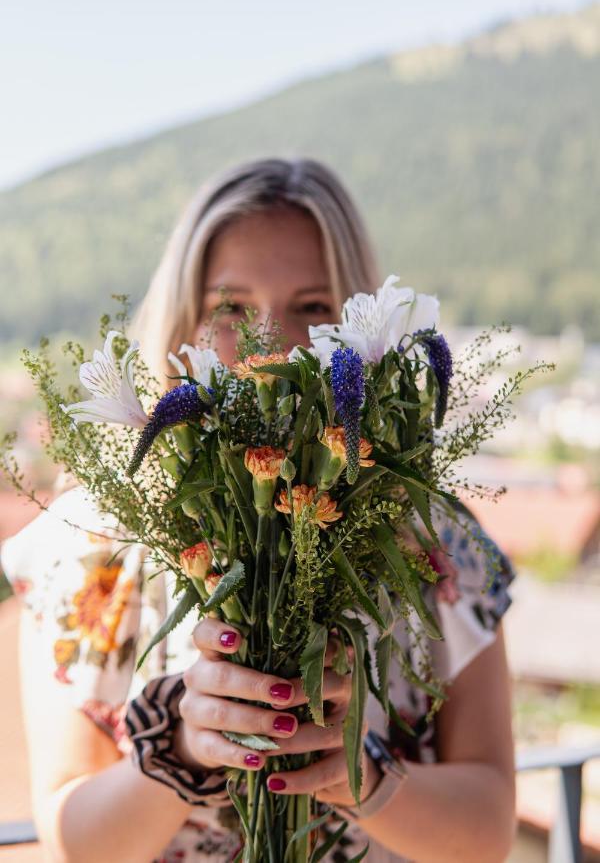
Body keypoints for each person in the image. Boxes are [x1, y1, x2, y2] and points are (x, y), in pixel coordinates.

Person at [1, 157, 517, 863]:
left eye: (313, 307)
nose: (274, 350)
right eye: (232, 310)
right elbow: (73, 843)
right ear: (183, 317)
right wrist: (185, 748)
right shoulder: (89, 544)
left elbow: (488, 833)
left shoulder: (431, 539)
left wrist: (359, 777)